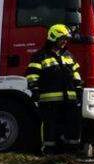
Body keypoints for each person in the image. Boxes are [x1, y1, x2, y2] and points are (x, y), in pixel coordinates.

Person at [26, 24, 83, 154]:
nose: (65, 41)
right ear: (53, 37)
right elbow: (32, 74)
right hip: (49, 100)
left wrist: (79, 87)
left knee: (72, 124)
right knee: (49, 125)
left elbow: (76, 73)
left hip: (70, 99)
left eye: (66, 39)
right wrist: (34, 89)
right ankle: (49, 150)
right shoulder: (40, 56)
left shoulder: (69, 56)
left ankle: (72, 150)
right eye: (62, 38)